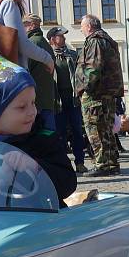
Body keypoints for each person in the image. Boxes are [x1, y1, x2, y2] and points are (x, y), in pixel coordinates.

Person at [0, 53, 76, 207]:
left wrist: (35, 167)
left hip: (43, 218)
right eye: (21, 107)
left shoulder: (44, 139)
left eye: (33, 103)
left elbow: (68, 183)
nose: (32, 111)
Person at [74, 14, 124, 177]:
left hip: (95, 94)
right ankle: (111, 163)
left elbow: (93, 68)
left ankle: (102, 164)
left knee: (95, 129)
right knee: (106, 129)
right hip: (107, 94)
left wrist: (83, 88)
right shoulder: (106, 40)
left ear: (89, 26)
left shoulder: (95, 41)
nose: (81, 29)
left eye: (82, 26)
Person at [47, 26, 87, 174]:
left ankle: (80, 162)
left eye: (63, 36)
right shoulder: (47, 57)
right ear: (52, 40)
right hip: (57, 101)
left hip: (72, 99)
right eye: (60, 36)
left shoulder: (72, 55)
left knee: (77, 131)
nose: (64, 38)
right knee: (60, 134)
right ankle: (64, 166)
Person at [22, 14, 58, 131]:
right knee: (49, 137)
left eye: (24, 25)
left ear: (32, 26)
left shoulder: (30, 44)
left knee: (37, 138)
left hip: (36, 102)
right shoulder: (45, 43)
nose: (22, 28)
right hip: (47, 99)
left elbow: (25, 71)